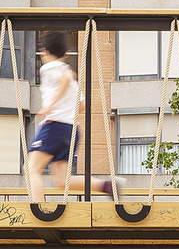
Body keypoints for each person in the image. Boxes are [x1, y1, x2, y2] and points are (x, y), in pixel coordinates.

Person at [26, 31, 117, 203]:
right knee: (61, 181)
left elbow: (66, 78)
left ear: (44, 51)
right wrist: (64, 108)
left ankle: (38, 209)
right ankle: (107, 186)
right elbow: (82, 105)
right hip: (71, 129)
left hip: (54, 127)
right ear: (66, 54)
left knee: (31, 169)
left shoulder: (50, 67)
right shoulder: (68, 74)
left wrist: (49, 107)